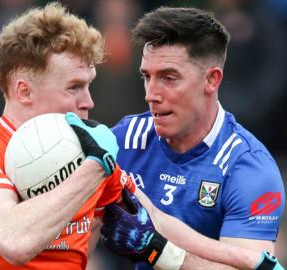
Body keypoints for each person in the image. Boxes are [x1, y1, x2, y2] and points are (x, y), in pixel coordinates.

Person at [0, 2, 135, 269]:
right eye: (74, 87)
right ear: (24, 92)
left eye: (89, 85)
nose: (88, 101)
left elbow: (157, 224)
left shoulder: (91, 154)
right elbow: (15, 242)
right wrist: (94, 167)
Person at [104, 6, 285, 269]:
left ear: (211, 80)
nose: (151, 94)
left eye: (168, 77)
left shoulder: (248, 167)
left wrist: (157, 249)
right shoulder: (124, 140)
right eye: (147, 77)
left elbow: (250, 267)